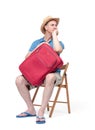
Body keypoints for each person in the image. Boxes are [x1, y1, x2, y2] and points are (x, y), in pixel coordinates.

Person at [16, 16, 64, 124]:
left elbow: (57, 50)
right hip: (38, 75)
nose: (55, 27)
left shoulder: (58, 43)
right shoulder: (36, 42)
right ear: (46, 27)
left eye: (56, 25)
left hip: (53, 75)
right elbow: (27, 58)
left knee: (50, 76)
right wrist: (41, 45)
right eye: (52, 25)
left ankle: (41, 111)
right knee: (19, 80)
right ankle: (31, 109)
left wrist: (54, 36)